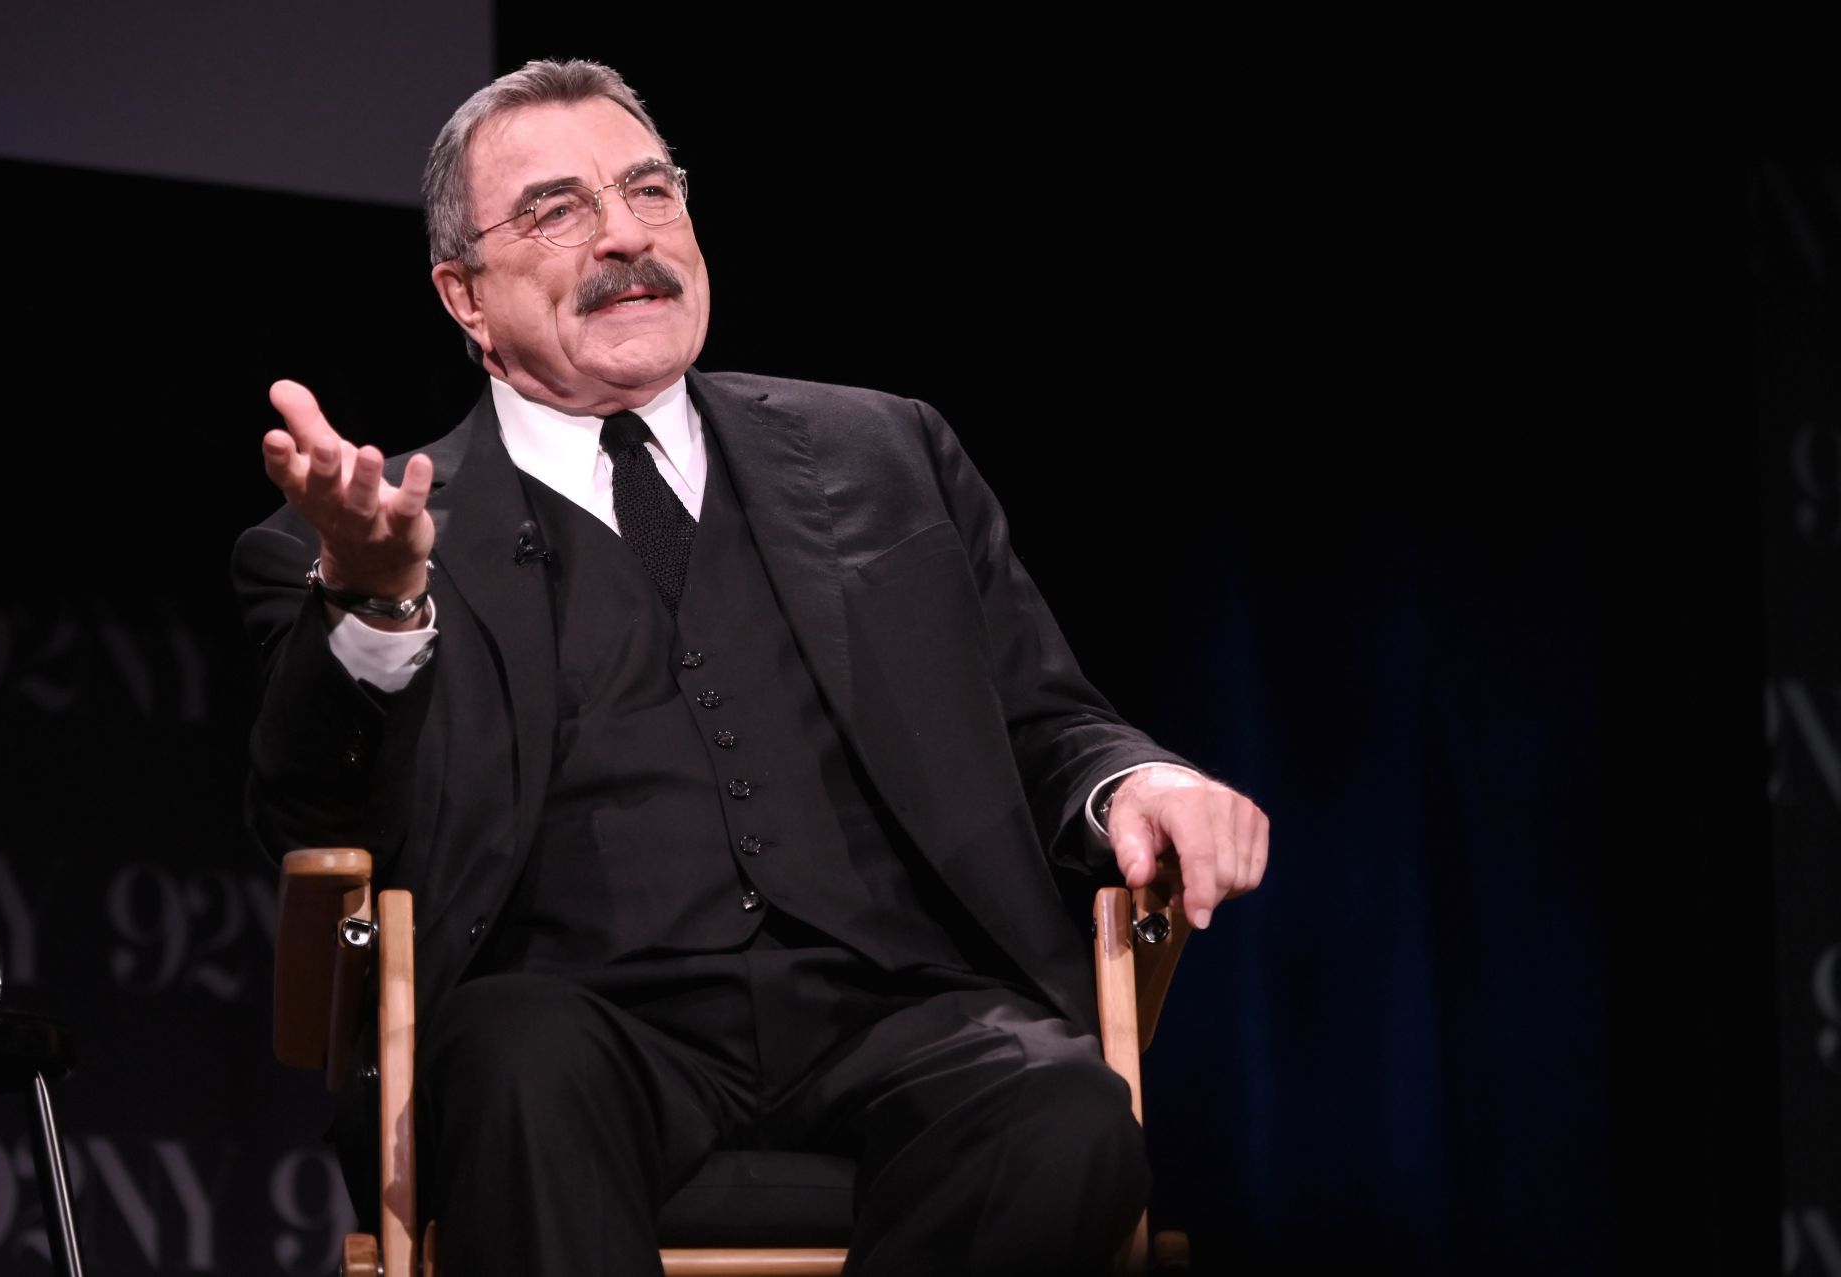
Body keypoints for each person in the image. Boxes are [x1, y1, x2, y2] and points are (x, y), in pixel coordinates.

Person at [234, 58, 1268, 1276]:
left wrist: (1135, 782)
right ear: (463, 295)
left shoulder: (885, 451)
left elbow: (1047, 719)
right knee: (520, 1060)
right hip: (583, 1022)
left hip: (898, 1009)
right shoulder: (346, 537)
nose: (627, 235)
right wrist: (375, 595)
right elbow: (307, 812)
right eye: (559, 209)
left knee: (1068, 1109)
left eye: (652, 189)